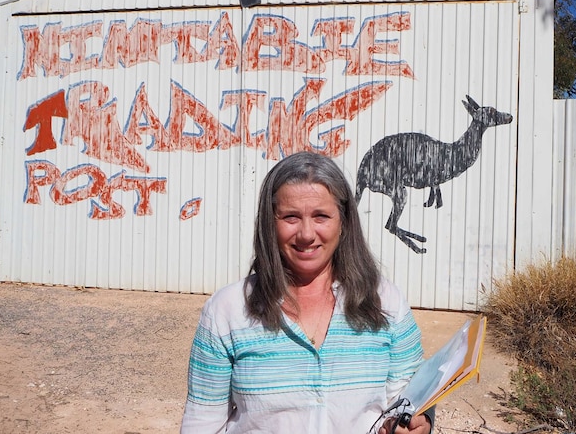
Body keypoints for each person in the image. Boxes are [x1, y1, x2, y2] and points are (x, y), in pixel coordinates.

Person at [180, 151, 433, 434]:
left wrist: (414, 424)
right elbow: (201, 423)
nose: (306, 234)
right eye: (290, 217)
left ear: (344, 222)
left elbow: (409, 400)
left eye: (321, 216)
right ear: (269, 223)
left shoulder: (386, 302)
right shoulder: (227, 311)